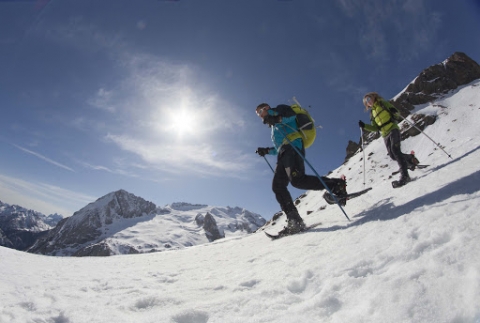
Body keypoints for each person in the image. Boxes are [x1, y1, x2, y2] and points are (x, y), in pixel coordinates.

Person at [255, 103, 347, 236]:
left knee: (297, 180)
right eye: (257, 114)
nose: (259, 115)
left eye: (260, 111)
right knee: (278, 186)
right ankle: (294, 220)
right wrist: (267, 150)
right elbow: (279, 147)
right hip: (283, 153)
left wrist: (277, 118)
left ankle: (336, 185)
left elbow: (291, 117)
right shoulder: (273, 127)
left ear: (266, 108)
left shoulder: (278, 110)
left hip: (292, 147)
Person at [358, 92, 419, 187]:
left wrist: (394, 111)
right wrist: (364, 126)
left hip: (393, 129)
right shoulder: (372, 114)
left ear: (373, 97)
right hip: (385, 134)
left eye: (369, 99)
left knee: (395, 151)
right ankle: (410, 159)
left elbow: (397, 113)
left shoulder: (382, 103)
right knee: (393, 155)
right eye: (366, 102)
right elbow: (375, 128)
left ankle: (405, 176)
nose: (368, 102)